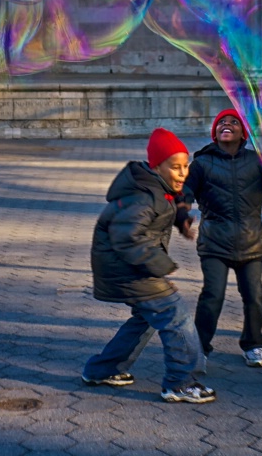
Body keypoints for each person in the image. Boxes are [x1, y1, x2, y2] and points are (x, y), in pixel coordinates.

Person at [82, 127, 216, 403]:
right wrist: (161, 266)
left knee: (145, 319)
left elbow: (175, 200)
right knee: (176, 316)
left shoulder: (154, 187)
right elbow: (129, 237)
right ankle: (180, 383)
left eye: (185, 166)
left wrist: (181, 218)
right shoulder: (143, 197)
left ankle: (102, 369)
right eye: (175, 167)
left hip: (129, 267)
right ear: (156, 167)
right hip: (130, 269)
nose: (183, 174)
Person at [183, 108, 262, 367]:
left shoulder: (256, 161)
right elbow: (185, 190)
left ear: (243, 134)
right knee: (212, 296)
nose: (226, 125)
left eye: (233, 122)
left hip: (251, 242)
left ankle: (253, 345)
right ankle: (200, 348)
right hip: (214, 242)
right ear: (215, 133)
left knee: (254, 296)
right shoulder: (202, 163)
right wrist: (182, 214)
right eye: (221, 123)